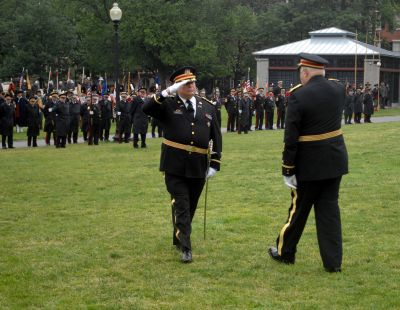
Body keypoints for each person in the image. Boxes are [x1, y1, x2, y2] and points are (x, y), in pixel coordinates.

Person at [268, 53, 348, 273]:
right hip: (335, 159)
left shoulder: (298, 96)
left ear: (304, 72)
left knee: (299, 209)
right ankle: (333, 263)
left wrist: (287, 168)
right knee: (329, 210)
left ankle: (285, 252)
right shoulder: (338, 88)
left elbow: (291, 136)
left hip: (309, 164)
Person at [142, 66, 222, 263]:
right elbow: (147, 108)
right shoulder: (168, 104)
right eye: (187, 83)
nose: (192, 86)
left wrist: (215, 163)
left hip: (198, 165)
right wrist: (166, 92)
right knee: (182, 205)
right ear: (178, 86)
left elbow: (216, 136)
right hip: (174, 165)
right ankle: (186, 248)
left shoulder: (208, 106)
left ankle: (179, 236)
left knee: (190, 205)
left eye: (193, 82)